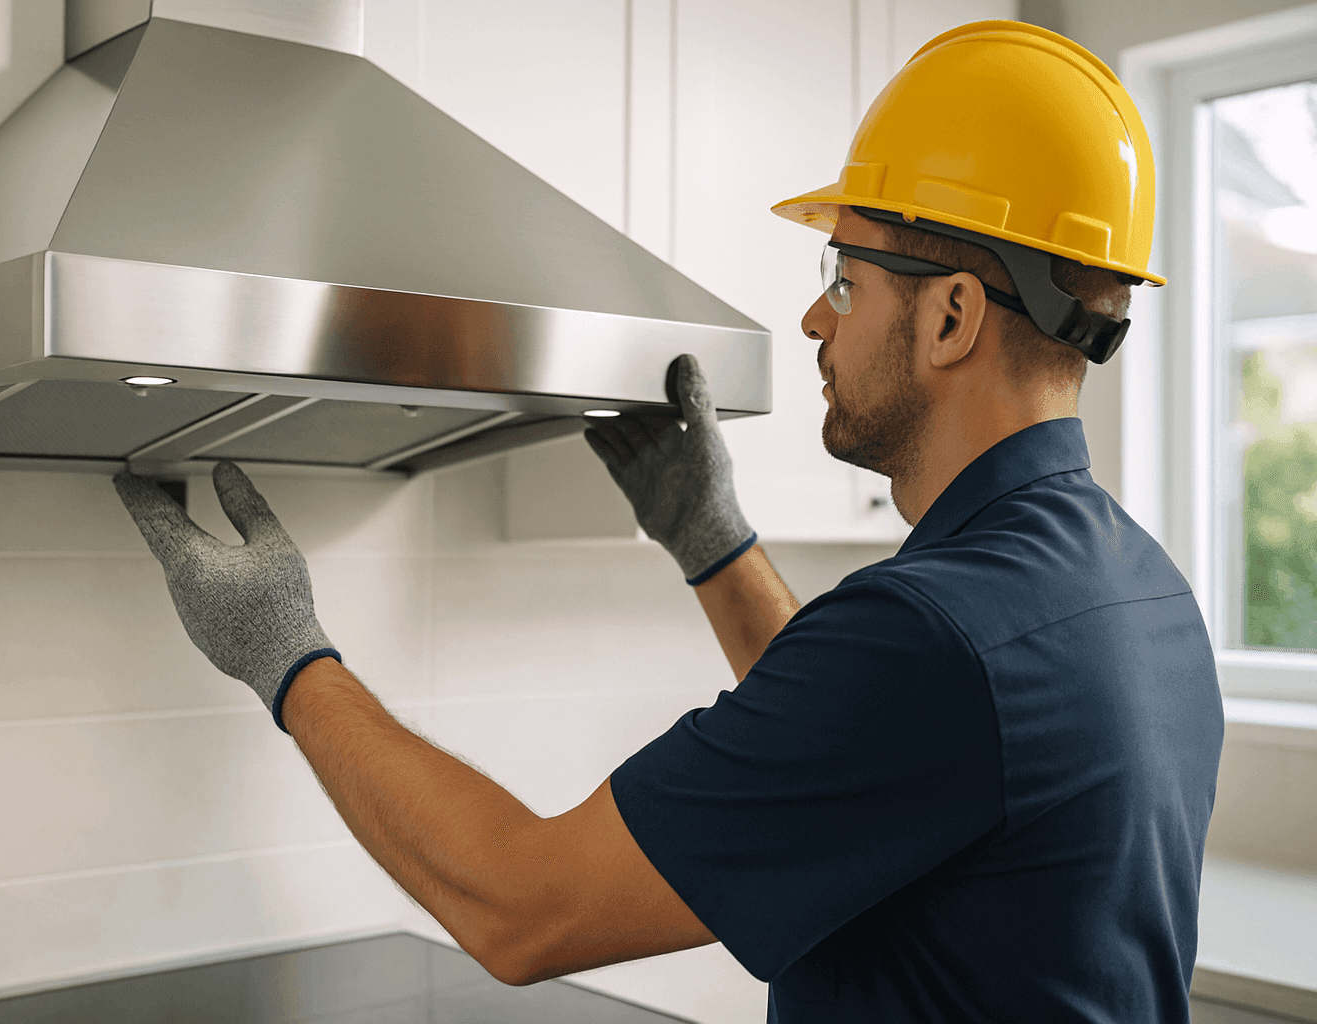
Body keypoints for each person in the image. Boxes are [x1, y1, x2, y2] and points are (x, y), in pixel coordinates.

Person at [114, 20, 1224, 1023]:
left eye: (844, 279)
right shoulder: (1143, 595)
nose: (809, 317)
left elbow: (522, 907)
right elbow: (882, 751)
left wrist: (286, 656)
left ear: (950, 315)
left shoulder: (935, 638)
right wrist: (715, 543)